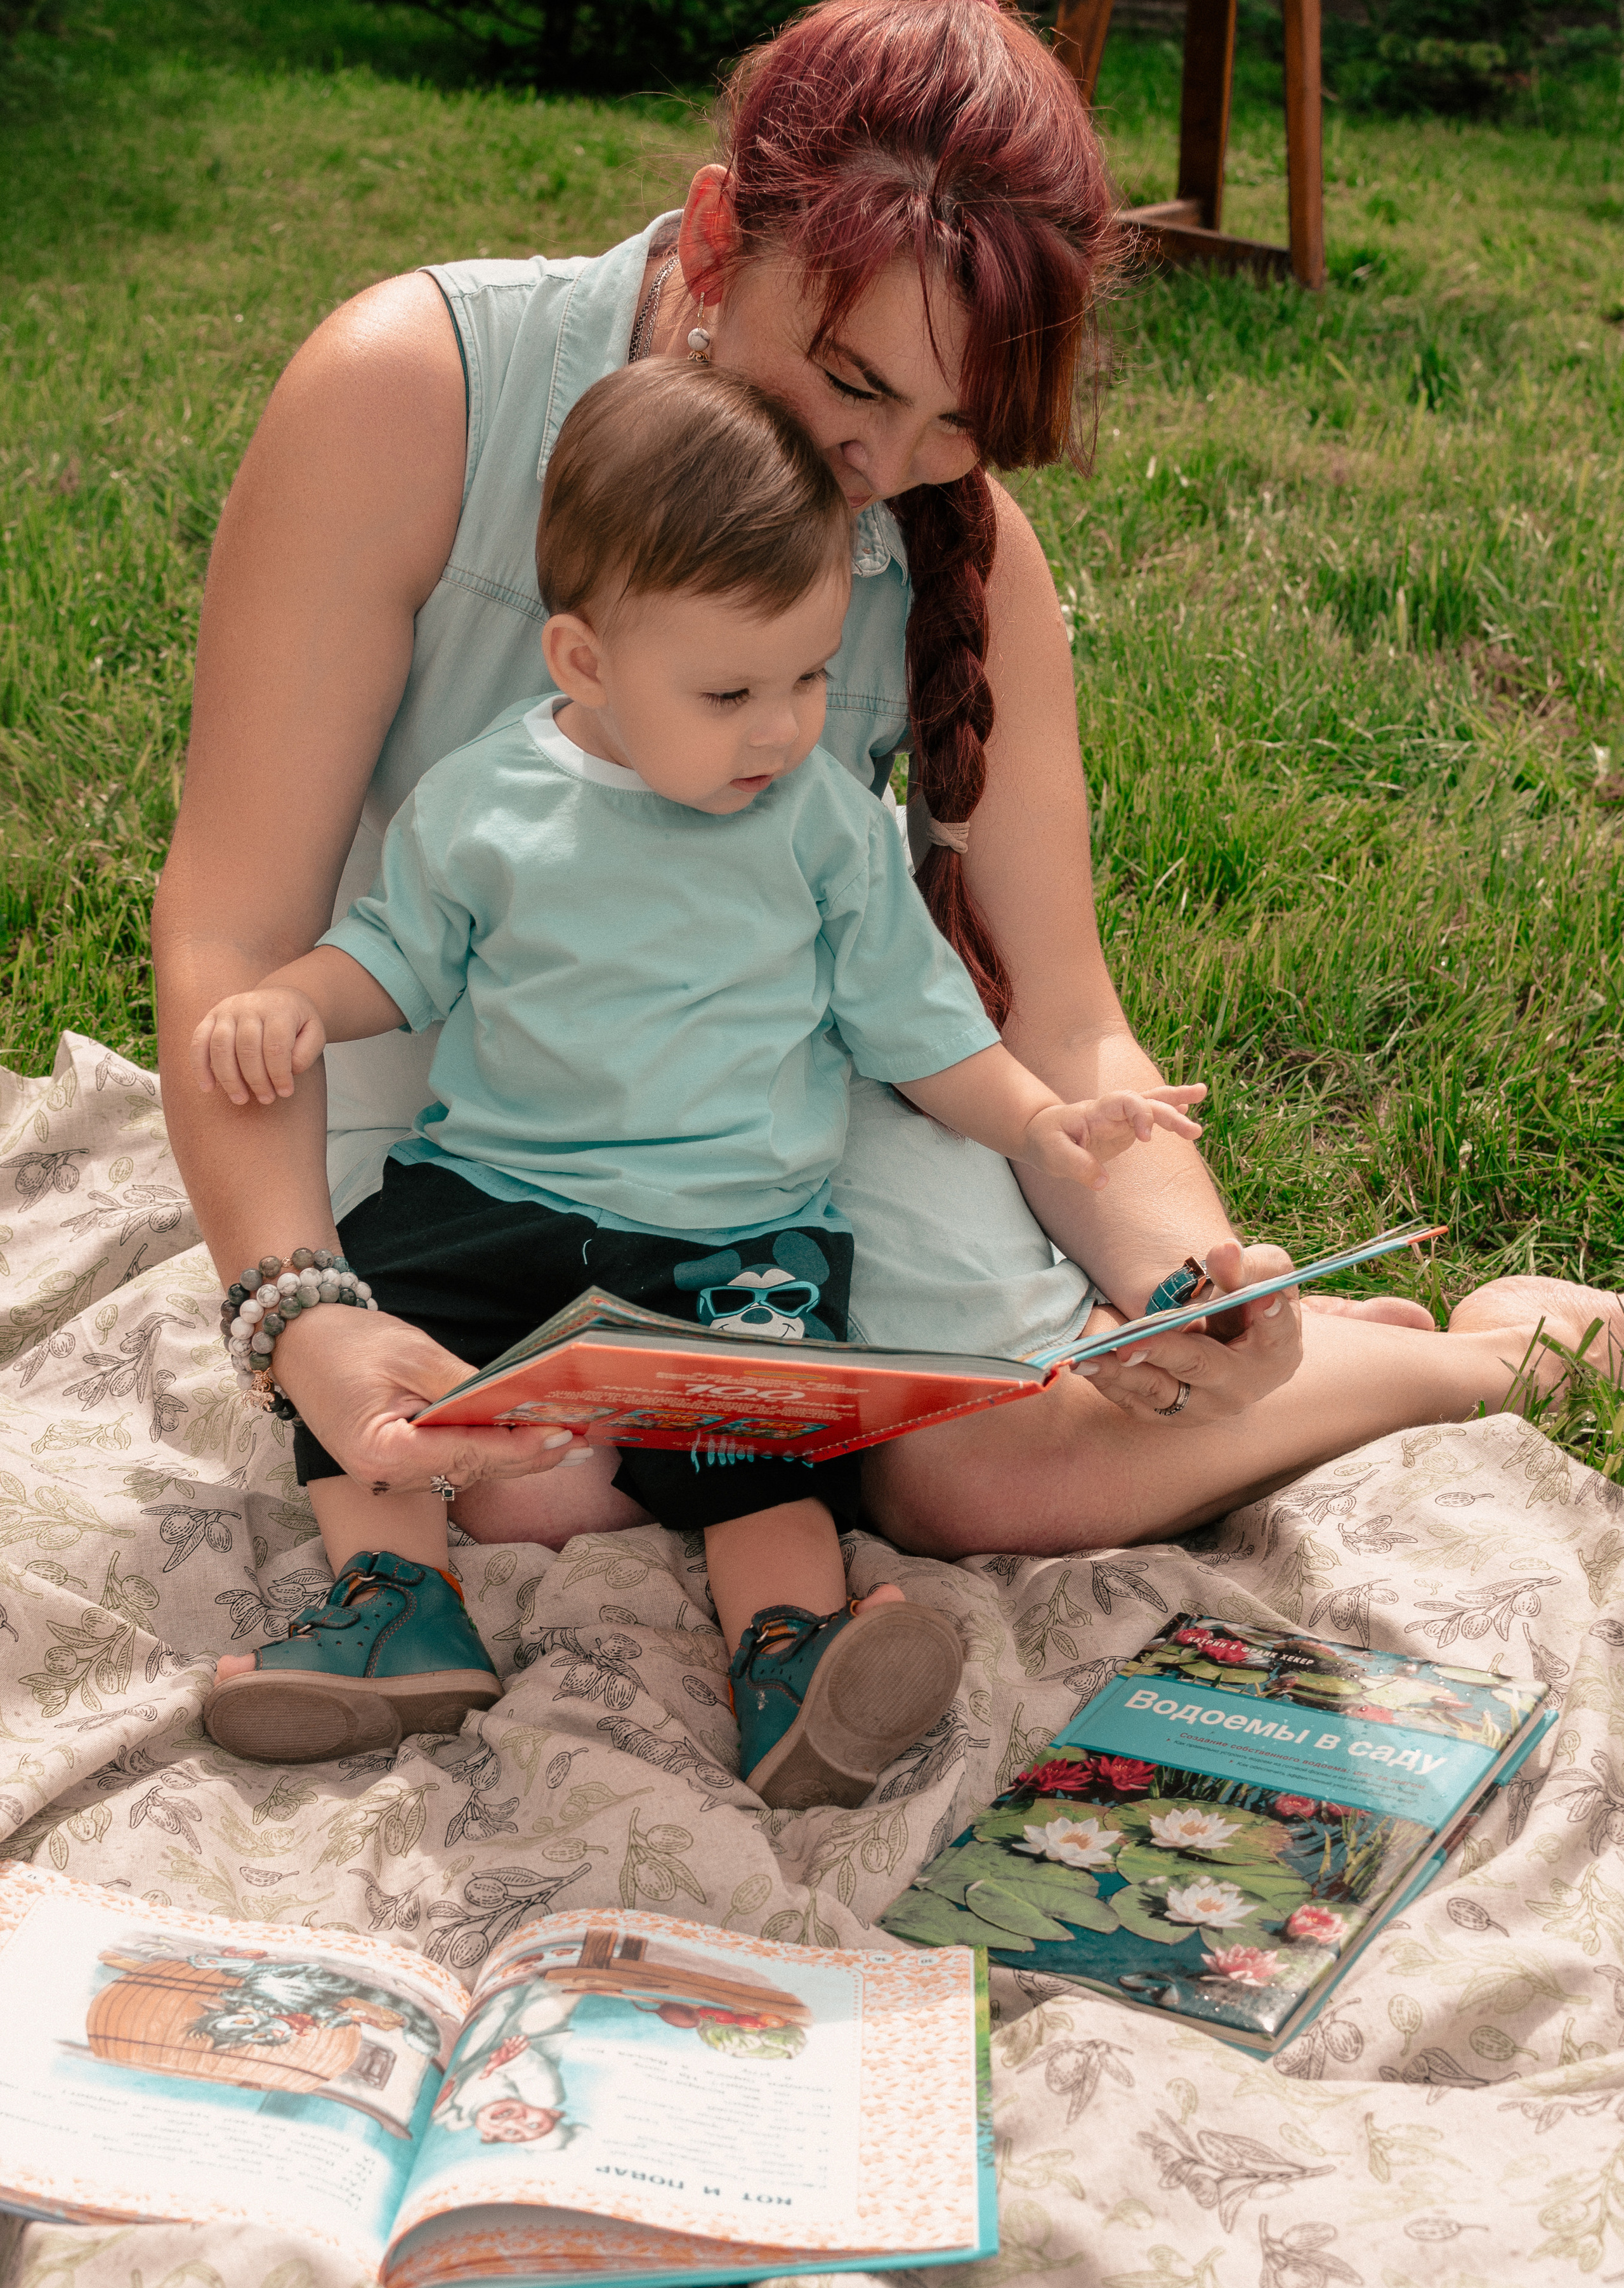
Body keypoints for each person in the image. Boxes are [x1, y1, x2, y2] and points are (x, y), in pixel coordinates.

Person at [152, 0, 1621, 1596]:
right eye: (853, 385)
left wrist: (1176, 1282)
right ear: (717, 238)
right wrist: (298, 1307)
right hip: (442, 1079)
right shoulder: (414, 388)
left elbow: (1062, 1022)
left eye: (953, 426)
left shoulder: (962, 549)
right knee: (519, 1480)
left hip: (771, 1101)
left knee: (983, 1472)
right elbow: (236, 928)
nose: (880, 470)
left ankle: (1474, 1355)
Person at [192, 362, 1205, 1793]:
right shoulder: (485, 802)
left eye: (808, 677)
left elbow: (920, 1028)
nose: (781, 728)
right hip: (491, 1193)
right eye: (729, 690)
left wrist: (1045, 1122)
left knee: (765, 1445)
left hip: (737, 1233)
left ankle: (794, 1658)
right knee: (365, 1340)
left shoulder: (821, 827)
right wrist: (294, 999)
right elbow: (396, 957)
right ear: (584, 661)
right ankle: (396, 1606)